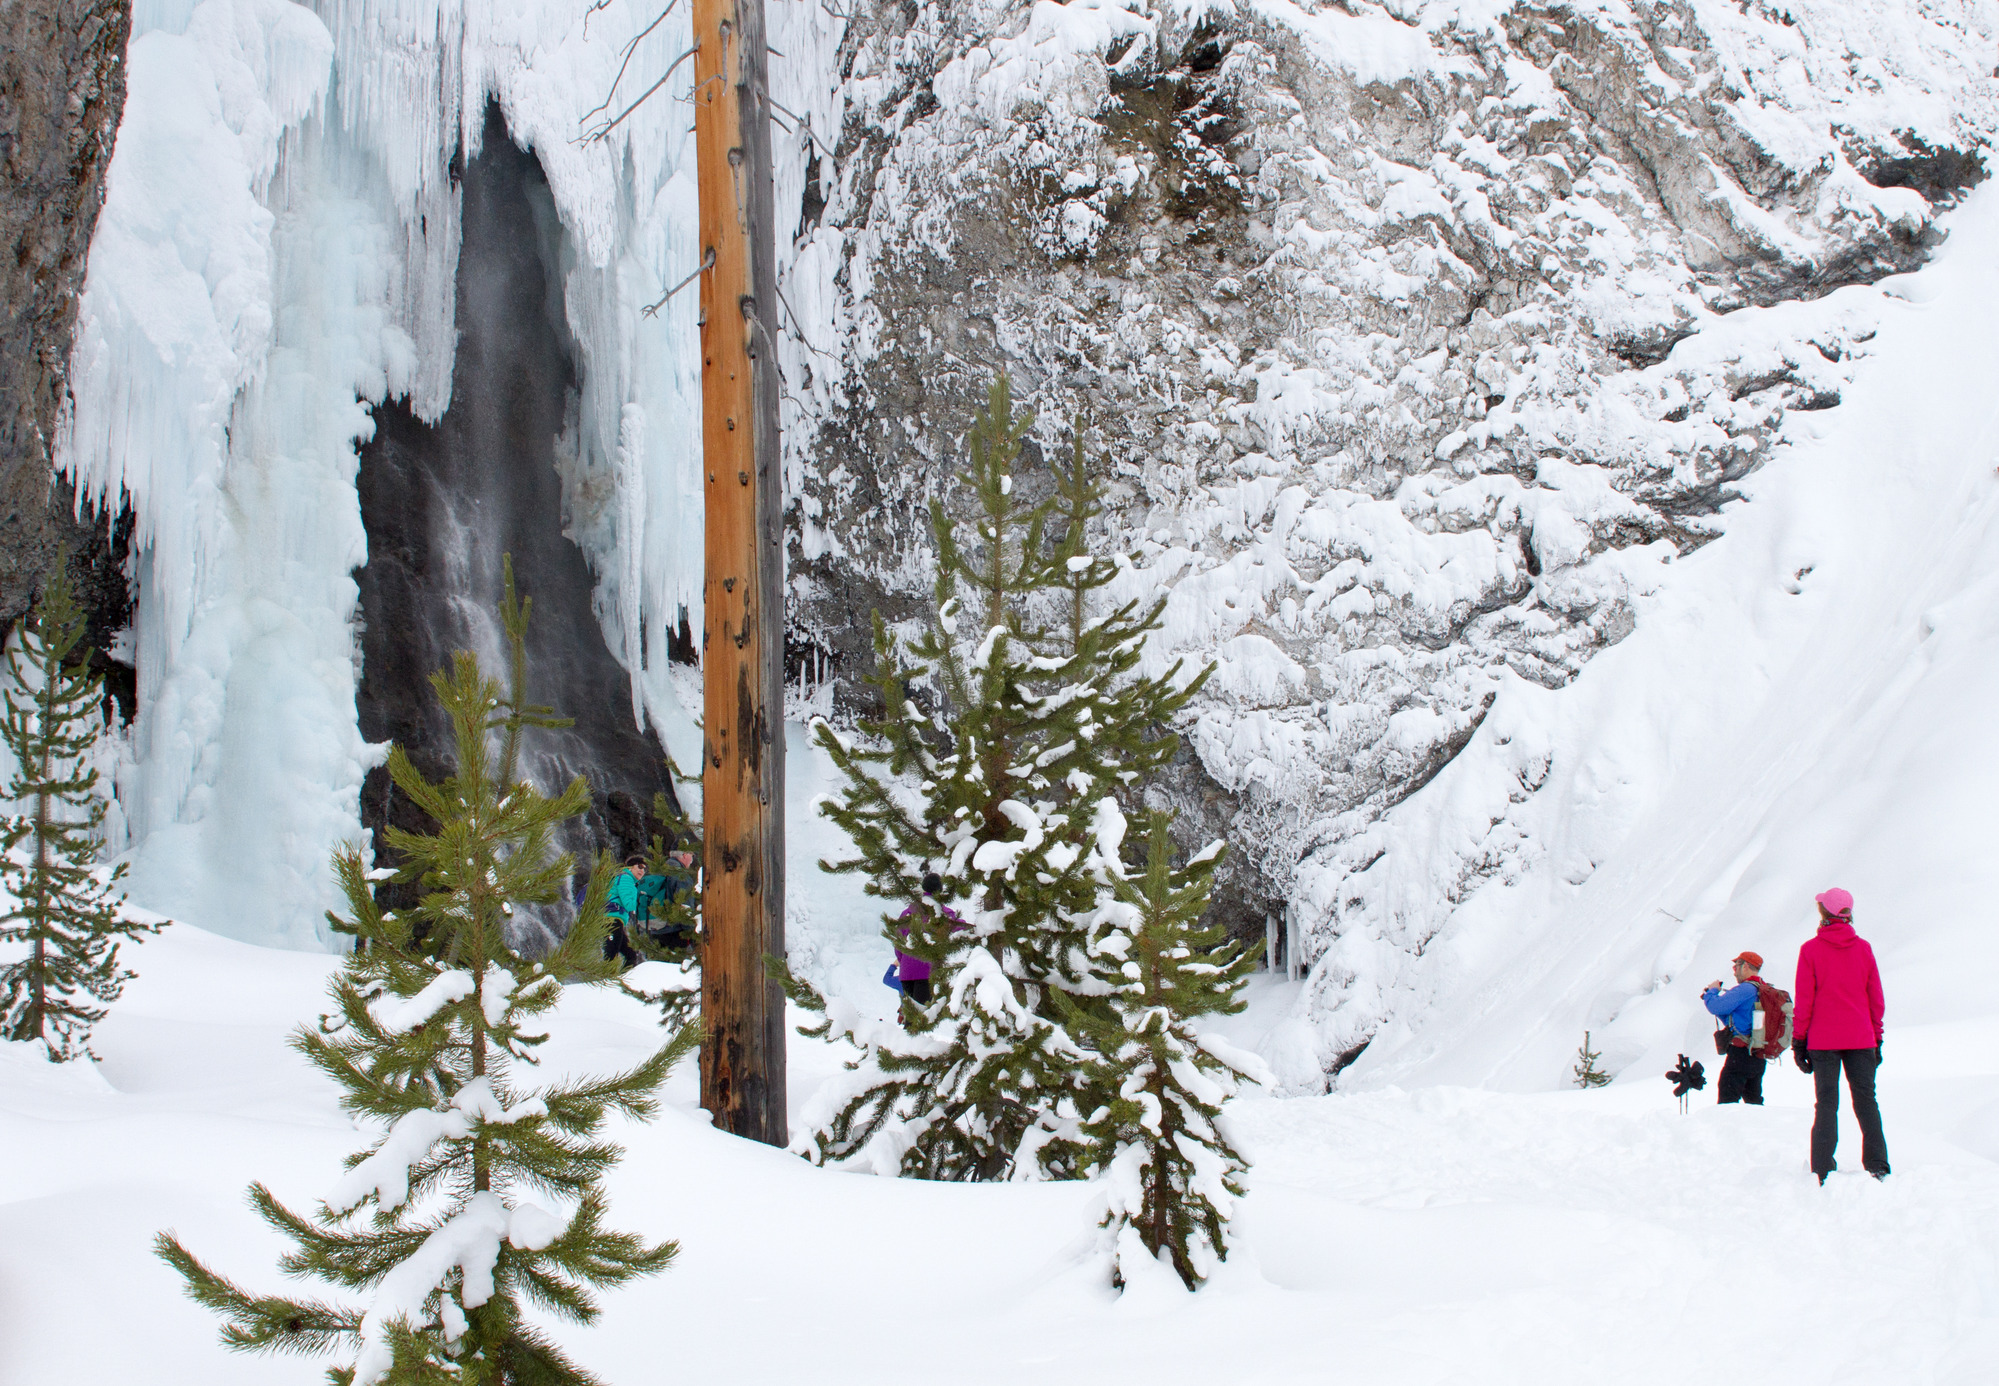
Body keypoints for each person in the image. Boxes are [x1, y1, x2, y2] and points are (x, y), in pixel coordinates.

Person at [1792, 887, 1889, 1183]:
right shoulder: (1863, 948)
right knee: (1866, 1101)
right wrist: (1877, 1037)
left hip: (1823, 1040)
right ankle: (1878, 1164)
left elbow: (1805, 999)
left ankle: (1822, 1167)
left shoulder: (1810, 950)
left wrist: (1799, 1041)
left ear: (1823, 912)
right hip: (1861, 1038)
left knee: (1826, 1102)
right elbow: (1875, 998)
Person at [1701, 951, 1771, 1105]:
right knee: (1753, 1101)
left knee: (1727, 1100)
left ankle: (1726, 1129)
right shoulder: (1764, 989)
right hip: (1759, 1054)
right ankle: (1757, 1128)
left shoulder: (1745, 989)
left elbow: (1715, 1006)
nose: (1734, 971)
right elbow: (1733, 1018)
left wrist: (1712, 992)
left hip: (1740, 1053)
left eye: (1736, 966)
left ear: (1745, 965)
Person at [893, 873, 958, 1008]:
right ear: (940, 890)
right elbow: (956, 926)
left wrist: (902, 960)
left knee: (910, 1017)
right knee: (922, 1016)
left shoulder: (908, 913)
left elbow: (898, 942)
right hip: (927, 971)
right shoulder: (941, 913)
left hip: (906, 971)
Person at [602, 853, 646, 970]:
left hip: (614, 920)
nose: (642, 871)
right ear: (631, 867)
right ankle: (604, 982)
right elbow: (629, 904)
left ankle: (620, 983)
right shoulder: (626, 878)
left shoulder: (624, 878)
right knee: (611, 956)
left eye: (644, 868)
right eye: (640, 866)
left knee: (630, 955)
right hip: (611, 920)